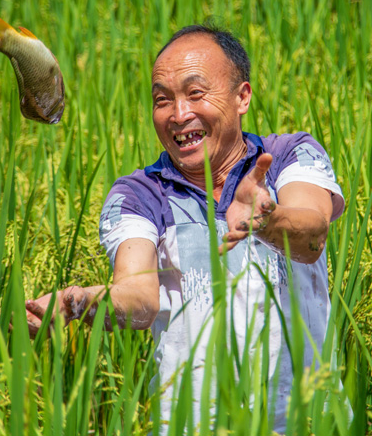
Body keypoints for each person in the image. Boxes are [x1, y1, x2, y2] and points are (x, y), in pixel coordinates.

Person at [24, 24, 345, 433]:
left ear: (242, 96)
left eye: (195, 93)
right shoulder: (140, 194)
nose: (179, 115)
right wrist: (80, 301)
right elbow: (139, 297)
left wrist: (267, 220)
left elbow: (312, 235)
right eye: (162, 100)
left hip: (307, 422)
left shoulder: (286, 157)